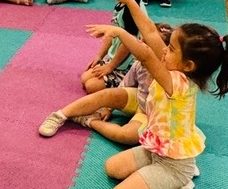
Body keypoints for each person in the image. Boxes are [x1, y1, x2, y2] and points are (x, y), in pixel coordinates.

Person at [86, 0, 228, 189]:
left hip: (174, 165)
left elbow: (146, 54)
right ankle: (163, 175)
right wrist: (130, 1)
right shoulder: (175, 67)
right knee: (112, 168)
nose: (164, 50)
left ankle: (180, 186)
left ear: (188, 65)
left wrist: (119, 32)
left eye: (171, 49)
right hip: (156, 148)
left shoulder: (178, 83)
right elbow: (148, 30)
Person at [38, 23, 172, 139]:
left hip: (150, 113)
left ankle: (89, 121)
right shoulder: (138, 65)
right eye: (139, 42)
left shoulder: (169, 74)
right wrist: (109, 108)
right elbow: (125, 85)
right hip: (139, 98)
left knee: (128, 135)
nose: (139, 47)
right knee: (106, 94)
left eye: (145, 45)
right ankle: (59, 115)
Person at [81, 0, 150, 94]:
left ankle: (131, 83)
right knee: (84, 78)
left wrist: (110, 67)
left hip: (127, 65)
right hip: (115, 58)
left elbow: (129, 43)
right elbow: (111, 34)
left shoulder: (133, 9)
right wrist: (100, 56)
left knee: (91, 86)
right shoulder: (122, 2)